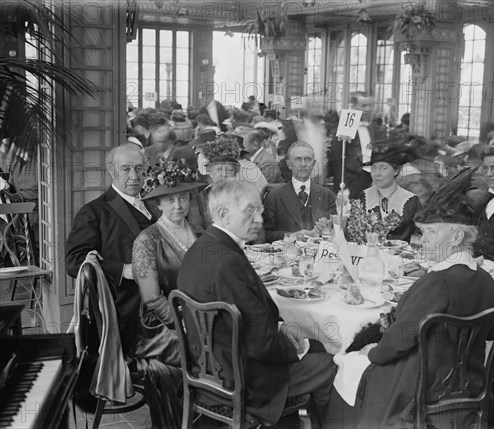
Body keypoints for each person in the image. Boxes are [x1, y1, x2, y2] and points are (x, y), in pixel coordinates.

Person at [325, 168, 494, 429]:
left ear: (456, 237)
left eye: (431, 233)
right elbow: (488, 334)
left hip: (420, 385)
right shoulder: (486, 280)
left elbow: (399, 339)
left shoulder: (436, 283)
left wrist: (372, 351)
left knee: (348, 365)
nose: (422, 241)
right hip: (470, 383)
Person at [177, 181, 336, 427]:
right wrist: (298, 348)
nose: (260, 219)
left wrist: (282, 328)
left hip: (207, 368)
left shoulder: (204, 247)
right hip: (243, 379)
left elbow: (251, 323)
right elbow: (261, 344)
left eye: (260, 211)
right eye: (250, 211)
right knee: (328, 361)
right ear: (223, 214)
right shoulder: (227, 262)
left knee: (312, 345)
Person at [131, 160, 204, 428]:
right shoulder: (146, 241)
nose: (178, 206)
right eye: (170, 200)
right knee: (209, 353)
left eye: (183, 198)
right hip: (161, 327)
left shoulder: (199, 233)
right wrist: (185, 324)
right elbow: (152, 299)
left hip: (200, 317)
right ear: (157, 204)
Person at [65, 143, 155, 354]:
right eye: (126, 168)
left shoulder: (153, 204)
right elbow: (74, 262)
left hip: (161, 298)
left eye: (140, 168)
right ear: (111, 171)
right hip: (124, 307)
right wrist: (123, 269)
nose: (134, 175)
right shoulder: (94, 212)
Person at [347, 140, 421, 243]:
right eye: (373, 168)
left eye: (383, 168)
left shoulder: (411, 201)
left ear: (396, 171)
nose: (377, 174)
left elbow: (419, 235)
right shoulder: (364, 196)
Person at [263, 141, 336, 242]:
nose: (303, 164)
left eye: (308, 159)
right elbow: (265, 235)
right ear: (288, 164)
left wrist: (326, 228)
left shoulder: (327, 195)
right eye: (298, 159)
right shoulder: (274, 197)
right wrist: (292, 236)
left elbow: (335, 231)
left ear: (314, 163)